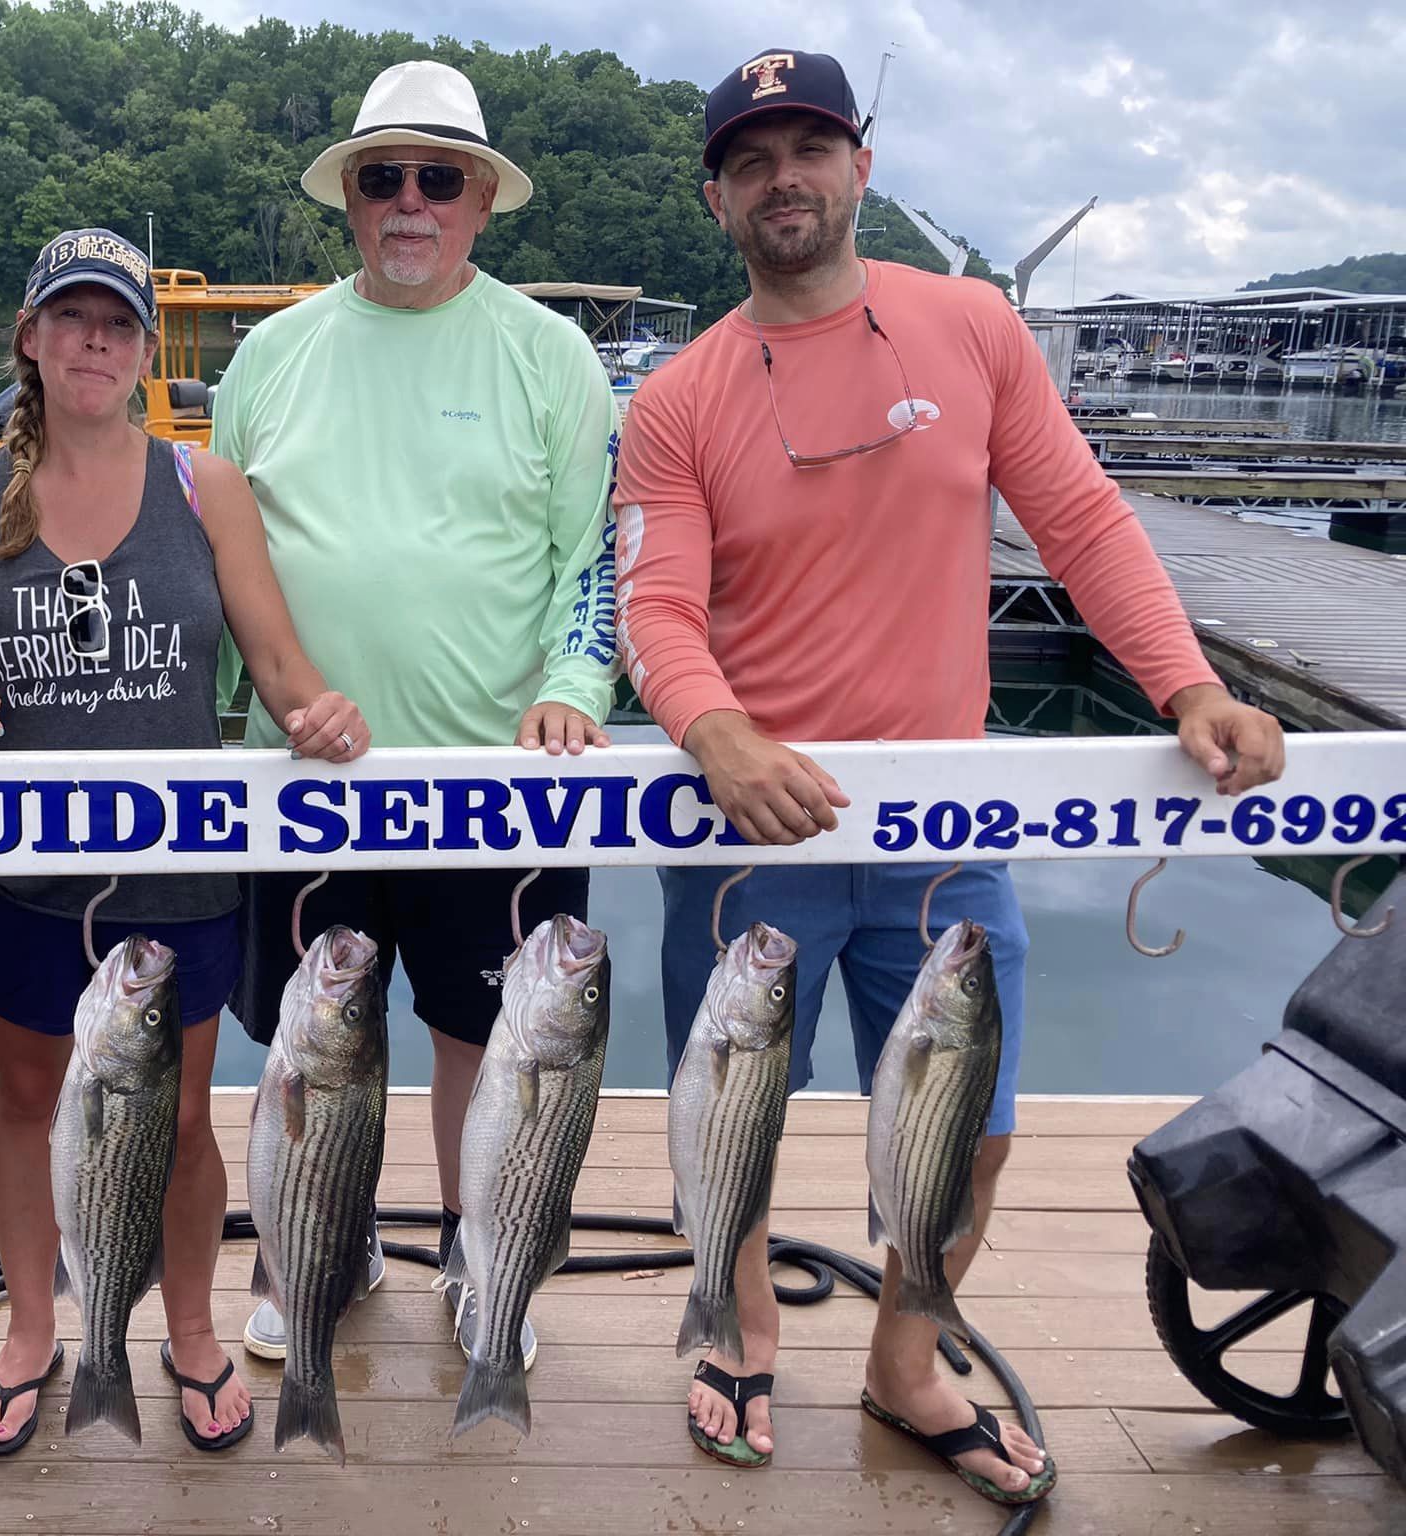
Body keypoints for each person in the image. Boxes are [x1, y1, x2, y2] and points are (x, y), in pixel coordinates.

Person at [613, 48, 1286, 1508]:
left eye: (809, 149)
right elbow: (655, 602)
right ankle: (737, 1322)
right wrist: (713, 730)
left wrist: (1185, 683)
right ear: (717, 198)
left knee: (974, 1130)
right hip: (751, 829)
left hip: (943, 828)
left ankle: (907, 1359)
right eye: (749, 161)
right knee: (727, 1113)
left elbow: (1082, 522)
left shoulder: (973, 327)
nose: (782, 180)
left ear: (859, 167)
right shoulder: (675, 397)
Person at [0, 229, 370, 1457]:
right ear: (30, 338)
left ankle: (193, 1329)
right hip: (23, 869)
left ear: (144, 348)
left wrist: (319, 714)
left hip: (179, 867)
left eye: (117, 323)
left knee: (180, 1116)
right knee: (24, 1098)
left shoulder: (203, 487)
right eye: (71, 319)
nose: (94, 343)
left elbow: (275, 661)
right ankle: (29, 1332)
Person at [211, 59, 622, 1370]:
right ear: (348, 194)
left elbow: (593, 559)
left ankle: (477, 1252)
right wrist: (226, 725)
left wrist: (573, 689)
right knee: (305, 1037)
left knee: (488, 1038)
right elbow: (225, 561)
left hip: (498, 778)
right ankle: (313, 1247)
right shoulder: (268, 355)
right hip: (301, 778)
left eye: (438, 178)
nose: (408, 201)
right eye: (382, 176)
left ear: (482, 199)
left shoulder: (550, 354)